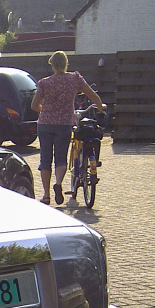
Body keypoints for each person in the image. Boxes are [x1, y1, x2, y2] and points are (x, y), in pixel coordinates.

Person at [31, 51, 104, 205]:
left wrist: (45, 110)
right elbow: (93, 95)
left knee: (45, 159)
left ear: (52, 65)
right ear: (66, 64)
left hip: (45, 124)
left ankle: (46, 196)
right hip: (64, 124)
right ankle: (58, 184)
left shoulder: (44, 82)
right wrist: (100, 107)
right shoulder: (75, 78)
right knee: (61, 158)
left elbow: (34, 105)